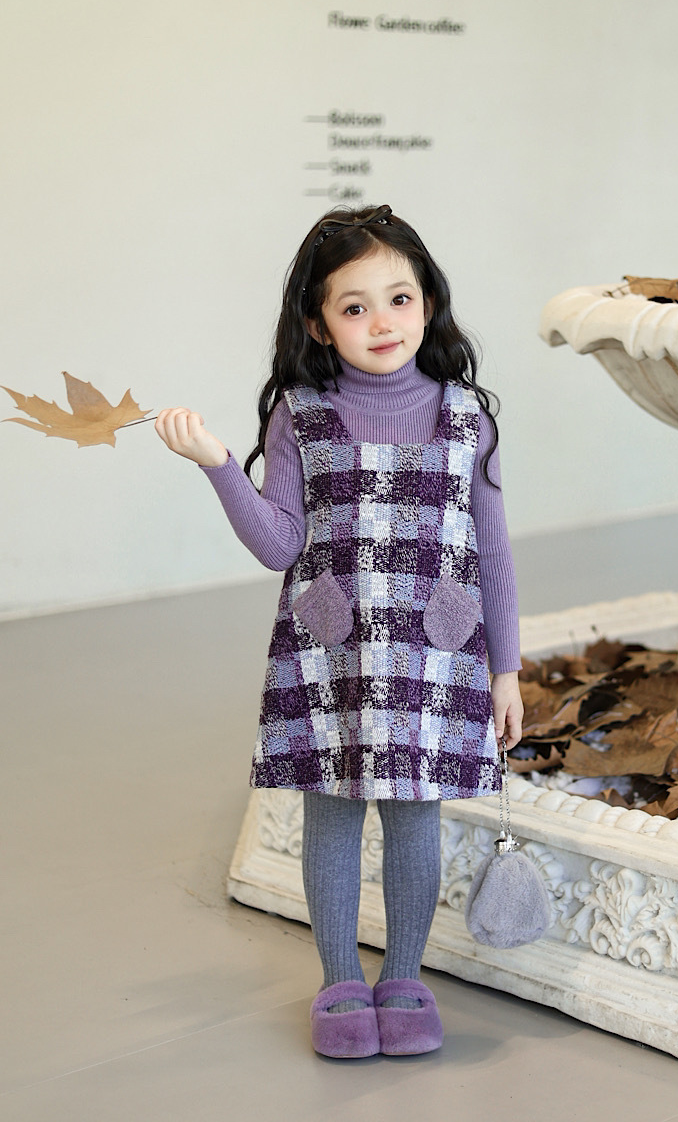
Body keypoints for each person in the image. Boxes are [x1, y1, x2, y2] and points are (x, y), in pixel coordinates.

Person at [155, 204, 523, 1059]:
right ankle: (338, 982)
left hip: (435, 653)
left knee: (414, 822)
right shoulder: (301, 415)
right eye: (355, 307)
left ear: (428, 303)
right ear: (320, 325)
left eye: (399, 298)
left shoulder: (467, 417)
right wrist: (218, 466)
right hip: (332, 654)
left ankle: (405, 977)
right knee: (332, 817)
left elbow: (494, 551)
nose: (382, 321)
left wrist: (505, 670)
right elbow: (279, 544)